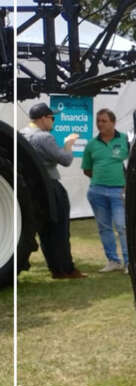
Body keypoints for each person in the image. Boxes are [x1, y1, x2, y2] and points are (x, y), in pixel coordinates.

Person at [20, 102, 85, 279]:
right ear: (43, 118)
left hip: (33, 188)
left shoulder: (23, 133)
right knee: (60, 229)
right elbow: (65, 160)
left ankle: (55, 268)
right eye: (52, 117)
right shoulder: (44, 137)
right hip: (51, 185)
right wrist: (68, 144)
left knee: (46, 231)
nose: (53, 121)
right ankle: (66, 269)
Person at [81, 108, 131, 272]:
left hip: (118, 192)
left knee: (122, 226)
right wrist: (101, 180)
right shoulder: (91, 144)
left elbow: (133, 163)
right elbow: (87, 169)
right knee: (104, 228)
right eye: (98, 121)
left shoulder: (124, 139)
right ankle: (113, 261)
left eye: (104, 121)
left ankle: (129, 262)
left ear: (113, 122)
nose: (100, 124)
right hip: (97, 192)